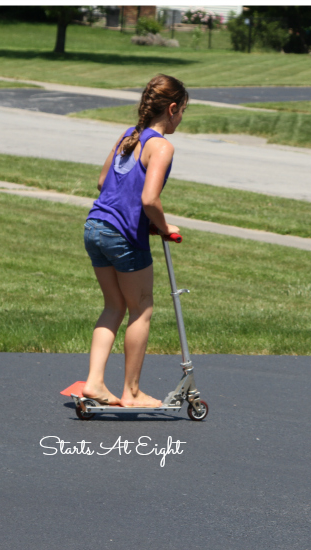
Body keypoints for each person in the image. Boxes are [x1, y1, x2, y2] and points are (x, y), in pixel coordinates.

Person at [82, 74, 188, 408]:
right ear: (171, 109)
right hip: (124, 236)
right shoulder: (162, 146)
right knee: (141, 309)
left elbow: (102, 182)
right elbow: (149, 200)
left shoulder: (129, 135)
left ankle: (95, 383)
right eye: (183, 110)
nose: (182, 118)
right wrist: (164, 226)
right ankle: (131, 392)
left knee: (114, 305)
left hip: (95, 227)